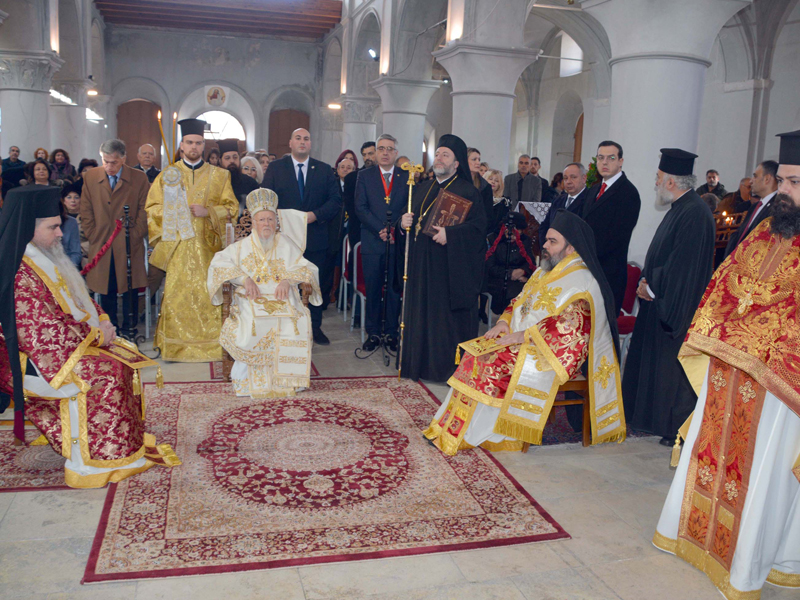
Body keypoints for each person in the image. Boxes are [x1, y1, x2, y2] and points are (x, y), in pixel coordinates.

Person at [653, 130, 800, 600]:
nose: (784, 192)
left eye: (795, 183)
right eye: (785, 181)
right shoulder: (767, 226)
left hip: (780, 389)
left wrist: (760, 344)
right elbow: (728, 279)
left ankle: (751, 562)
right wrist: (719, 333)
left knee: (764, 473)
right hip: (732, 370)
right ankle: (698, 539)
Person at [0, 185, 179, 488]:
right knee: (107, 373)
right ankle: (97, 460)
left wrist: (103, 320)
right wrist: (97, 335)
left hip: (64, 345)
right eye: (53, 227)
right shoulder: (19, 271)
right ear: (28, 228)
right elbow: (42, 330)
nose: (60, 233)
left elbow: (77, 297)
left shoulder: (43, 255)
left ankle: (120, 444)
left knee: (124, 355)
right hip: (30, 358)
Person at [424, 209, 624, 454]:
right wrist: (504, 323)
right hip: (519, 339)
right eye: (546, 240)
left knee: (488, 362)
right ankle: (451, 428)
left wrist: (524, 336)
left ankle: (487, 434)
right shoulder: (544, 270)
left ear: (571, 248)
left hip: (550, 351)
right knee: (473, 353)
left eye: (553, 242)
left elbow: (572, 330)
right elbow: (519, 301)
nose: (545, 246)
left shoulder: (583, 282)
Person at [622, 149, 715, 445]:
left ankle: (671, 425)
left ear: (672, 181)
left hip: (675, 305)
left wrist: (651, 286)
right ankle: (652, 420)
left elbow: (684, 265)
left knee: (670, 371)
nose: (656, 183)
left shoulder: (695, 213)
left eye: (659, 178)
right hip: (659, 296)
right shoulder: (681, 207)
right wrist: (649, 281)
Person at [208, 189, 322, 398]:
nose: (267, 224)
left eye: (270, 219)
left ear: (276, 222)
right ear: (253, 222)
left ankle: (288, 380)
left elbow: (307, 268)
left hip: (283, 298)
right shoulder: (241, 247)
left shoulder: (286, 244)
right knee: (253, 322)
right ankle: (248, 380)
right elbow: (218, 264)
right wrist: (244, 279)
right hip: (251, 298)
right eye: (262, 219)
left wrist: (288, 280)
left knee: (295, 320)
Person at [145, 118, 239, 361]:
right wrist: (174, 211)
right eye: (189, 142)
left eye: (198, 142)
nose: (194, 147)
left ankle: (213, 346)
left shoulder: (220, 176)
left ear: (204, 145)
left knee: (210, 295)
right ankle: (176, 347)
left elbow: (232, 209)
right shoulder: (168, 175)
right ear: (182, 145)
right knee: (178, 297)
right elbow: (152, 208)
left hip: (210, 249)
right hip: (178, 249)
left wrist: (209, 212)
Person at [397, 134, 487, 382]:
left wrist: (451, 235)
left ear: (456, 164)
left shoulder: (468, 191)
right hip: (420, 267)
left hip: (448, 270)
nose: (438, 158)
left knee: (442, 321)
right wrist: (401, 222)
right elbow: (409, 220)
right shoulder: (422, 187)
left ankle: (443, 370)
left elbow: (480, 231)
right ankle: (417, 366)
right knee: (420, 315)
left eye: (445, 154)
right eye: (437, 154)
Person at [260, 128, 342, 346]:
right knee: (282, 282)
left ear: (310, 144)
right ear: (290, 143)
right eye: (298, 138)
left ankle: (315, 328)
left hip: (315, 237)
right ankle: (283, 327)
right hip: (283, 239)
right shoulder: (277, 168)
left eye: (306, 138)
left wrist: (315, 215)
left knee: (312, 283)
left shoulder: (324, 170)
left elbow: (335, 200)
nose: (302, 142)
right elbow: (265, 198)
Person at [80, 140, 151, 333]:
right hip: (101, 240)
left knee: (130, 286)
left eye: (114, 162)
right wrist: (93, 234)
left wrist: (135, 235)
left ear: (124, 159)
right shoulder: (91, 176)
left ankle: (129, 327)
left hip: (129, 241)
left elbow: (145, 210)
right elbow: (85, 209)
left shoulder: (138, 178)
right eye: (105, 161)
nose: (109, 167)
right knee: (106, 287)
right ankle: (109, 327)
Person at [354, 134, 406, 351]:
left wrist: (394, 228)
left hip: (397, 241)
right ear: (375, 152)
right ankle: (373, 333)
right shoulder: (364, 176)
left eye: (389, 149)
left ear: (395, 153)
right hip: (373, 242)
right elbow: (360, 207)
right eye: (381, 148)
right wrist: (380, 229)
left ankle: (392, 334)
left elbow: (409, 207)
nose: (385, 153)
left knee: (394, 289)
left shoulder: (406, 177)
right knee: (373, 288)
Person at [581, 141, 641, 314]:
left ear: (621, 161)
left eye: (611, 158)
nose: (605, 162)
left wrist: (584, 253)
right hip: (586, 271)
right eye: (601, 158)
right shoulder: (593, 190)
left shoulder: (628, 193)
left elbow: (616, 237)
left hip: (608, 275)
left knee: (601, 335)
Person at [724, 160, 779, 258]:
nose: (751, 181)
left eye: (755, 176)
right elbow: (740, 234)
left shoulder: (777, 208)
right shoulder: (755, 206)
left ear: (767, 179)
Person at [483, 212, 535, 315]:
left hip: (519, 279)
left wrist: (522, 271)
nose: (514, 237)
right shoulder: (493, 239)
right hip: (497, 279)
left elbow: (530, 262)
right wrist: (510, 273)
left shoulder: (525, 241)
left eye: (518, 234)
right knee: (512, 293)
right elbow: (489, 267)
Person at [540, 162, 589, 236]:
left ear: (584, 179)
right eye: (565, 178)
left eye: (573, 177)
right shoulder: (558, 200)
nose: (568, 182)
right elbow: (545, 225)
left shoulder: (589, 200)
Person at [218, 139, 259, 213]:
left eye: (235, 157)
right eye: (227, 158)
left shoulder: (250, 183)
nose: (232, 161)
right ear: (220, 161)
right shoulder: (214, 183)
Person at [61, 181, 88, 266]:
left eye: (76, 197)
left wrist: (80, 249)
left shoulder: (88, 217)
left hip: (85, 256)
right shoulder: (60, 218)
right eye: (69, 197)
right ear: (63, 200)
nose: (73, 200)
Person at [468, 147, 494, 232]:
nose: (478, 163)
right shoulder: (457, 182)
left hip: (477, 231)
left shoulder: (485, 186)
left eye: (479, 159)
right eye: (474, 159)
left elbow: (488, 215)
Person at [484, 169, 511, 238]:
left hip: (496, 236)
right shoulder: (479, 198)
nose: (493, 182)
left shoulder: (504, 202)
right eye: (490, 179)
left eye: (496, 181)